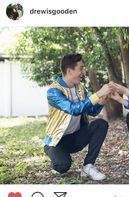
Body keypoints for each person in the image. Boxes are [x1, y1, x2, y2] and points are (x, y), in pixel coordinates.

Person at [44, 53, 113, 181]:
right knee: (63, 166)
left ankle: (88, 166)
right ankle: (57, 160)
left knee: (100, 124)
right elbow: (73, 109)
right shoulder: (53, 92)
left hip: (75, 138)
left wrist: (102, 101)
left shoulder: (80, 88)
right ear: (70, 71)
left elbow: (91, 111)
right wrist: (98, 94)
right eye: (81, 68)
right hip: (56, 142)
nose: (83, 72)